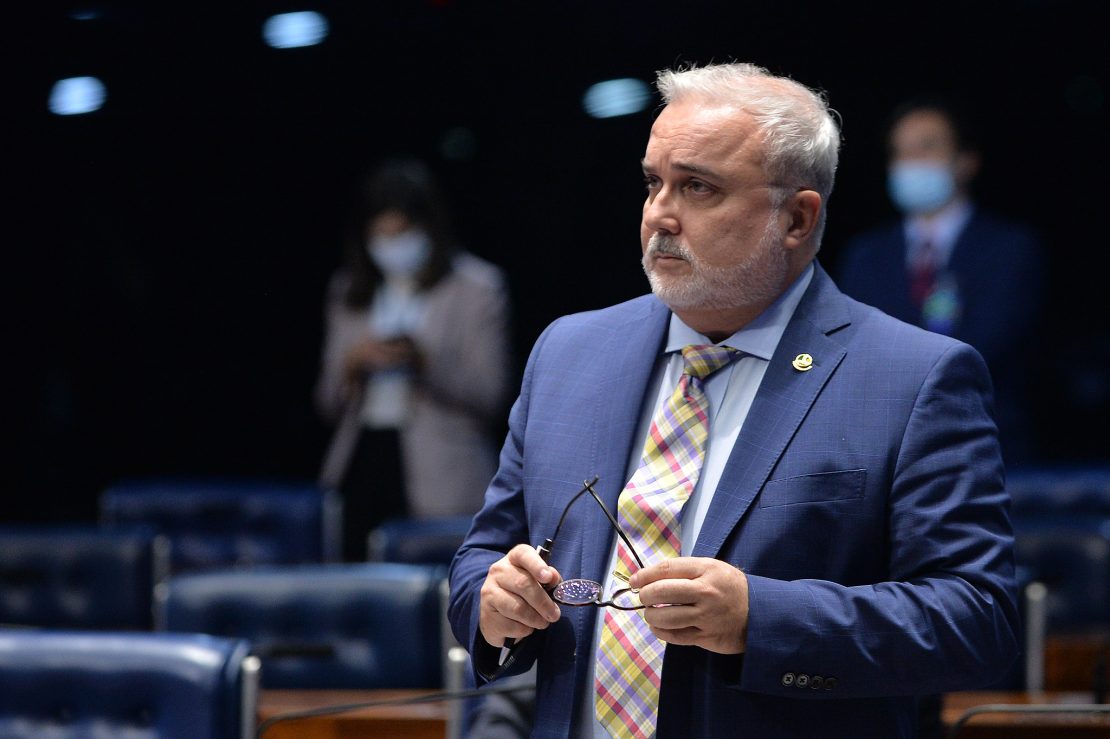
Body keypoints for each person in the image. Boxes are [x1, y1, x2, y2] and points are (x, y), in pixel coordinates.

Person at [448, 62, 1019, 738]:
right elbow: (480, 557)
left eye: (697, 186)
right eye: (653, 182)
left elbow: (978, 616)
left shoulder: (914, 376)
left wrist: (760, 619)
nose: (660, 212)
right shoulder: (569, 352)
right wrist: (492, 601)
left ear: (797, 218)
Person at [315, 158, 513, 561]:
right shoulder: (349, 290)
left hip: (442, 469)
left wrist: (424, 361)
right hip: (362, 460)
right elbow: (326, 401)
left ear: (428, 229)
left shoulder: (476, 288)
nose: (392, 246)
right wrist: (354, 364)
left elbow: (491, 395)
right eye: (381, 234)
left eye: (402, 232)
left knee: (440, 589)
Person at [836, 97, 1045, 466]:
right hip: (887, 453)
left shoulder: (1009, 248)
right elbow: (852, 348)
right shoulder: (866, 256)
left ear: (966, 160)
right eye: (900, 152)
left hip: (987, 448)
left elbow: (990, 344)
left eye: (926, 147)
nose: (910, 163)